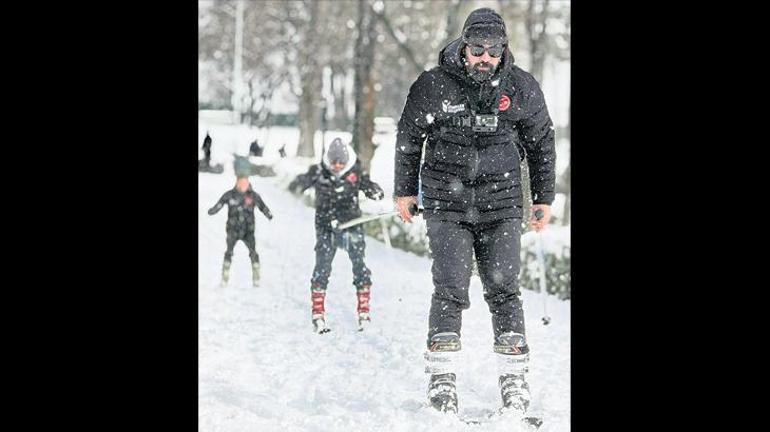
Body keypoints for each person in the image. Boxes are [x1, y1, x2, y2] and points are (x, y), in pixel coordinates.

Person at [393, 8, 556, 416]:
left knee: (504, 291)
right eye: (477, 49)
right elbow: (409, 136)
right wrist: (403, 192)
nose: (485, 57)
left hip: (501, 205)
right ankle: (442, 380)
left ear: (503, 49)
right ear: (464, 46)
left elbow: (542, 143)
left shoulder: (520, 88)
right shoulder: (433, 85)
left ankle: (515, 380)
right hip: (447, 205)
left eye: (493, 50)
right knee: (450, 287)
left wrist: (543, 198)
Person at [289, 137, 385, 333]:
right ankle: (318, 312)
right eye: (334, 162)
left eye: (341, 162)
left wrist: (374, 191)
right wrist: (297, 185)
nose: (337, 166)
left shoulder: (355, 172)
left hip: (351, 225)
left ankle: (364, 312)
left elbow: (368, 185)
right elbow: (301, 182)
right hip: (326, 227)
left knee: (360, 265)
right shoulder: (319, 172)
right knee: (322, 266)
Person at [208, 156, 273, 287]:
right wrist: (212, 211)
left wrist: (268, 214)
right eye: (241, 183)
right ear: (237, 183)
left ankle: (256, 277)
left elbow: (262, 206)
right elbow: (218, 205)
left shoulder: (253, 195)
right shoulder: (230, 195)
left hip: (248, 230)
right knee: (229, 252)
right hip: (233, 229)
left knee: (253, 253)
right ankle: (224, 278)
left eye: (245, 183)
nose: (243, 185)